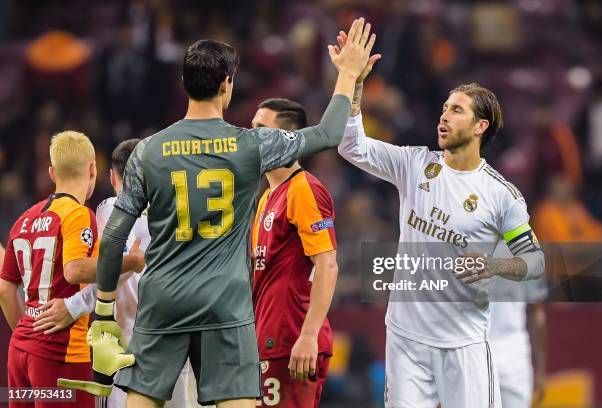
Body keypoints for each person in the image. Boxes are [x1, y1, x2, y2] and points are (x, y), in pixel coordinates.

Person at [76, 19, 375, 408]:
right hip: (225, 305)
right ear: (227, 84)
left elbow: (115, 234)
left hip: (163, 300)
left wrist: (102, 311)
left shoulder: (148, 151)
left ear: (184, 83)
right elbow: (328, 134)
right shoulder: (249, 145)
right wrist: (348, 74)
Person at [332, 31, 545, 407]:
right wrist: (354, 84)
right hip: (406, 340)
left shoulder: (502, 195)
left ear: (481, 126)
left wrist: (493, 264)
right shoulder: (415, 165)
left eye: (457, 110)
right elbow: (352, 146)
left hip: (465, 344)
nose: (444, 116)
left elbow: (534, 262)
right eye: (444, 108)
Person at [37, 139, 198, 407]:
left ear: (112, 177)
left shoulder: (112, 207)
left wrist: (74, 306)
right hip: (175, 343)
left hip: (124, 347)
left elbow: (116, 266)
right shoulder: (183, 212)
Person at [0, 131, 143, 408]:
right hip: (59, 354)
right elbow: (75, 270)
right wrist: (131, 262)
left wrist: (28, 332)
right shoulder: (79, 214)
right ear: (93, 169)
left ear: (52, 172)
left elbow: (6, 289)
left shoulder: (24, 219)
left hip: (19, 353)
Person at [250, 98, 338, 407]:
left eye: (261, 129)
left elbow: (327, 264)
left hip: (293, 341)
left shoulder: (304, 188)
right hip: (269, 339)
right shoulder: (267, 198)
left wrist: (309, 336)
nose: (251, 136)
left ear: (288, 139)